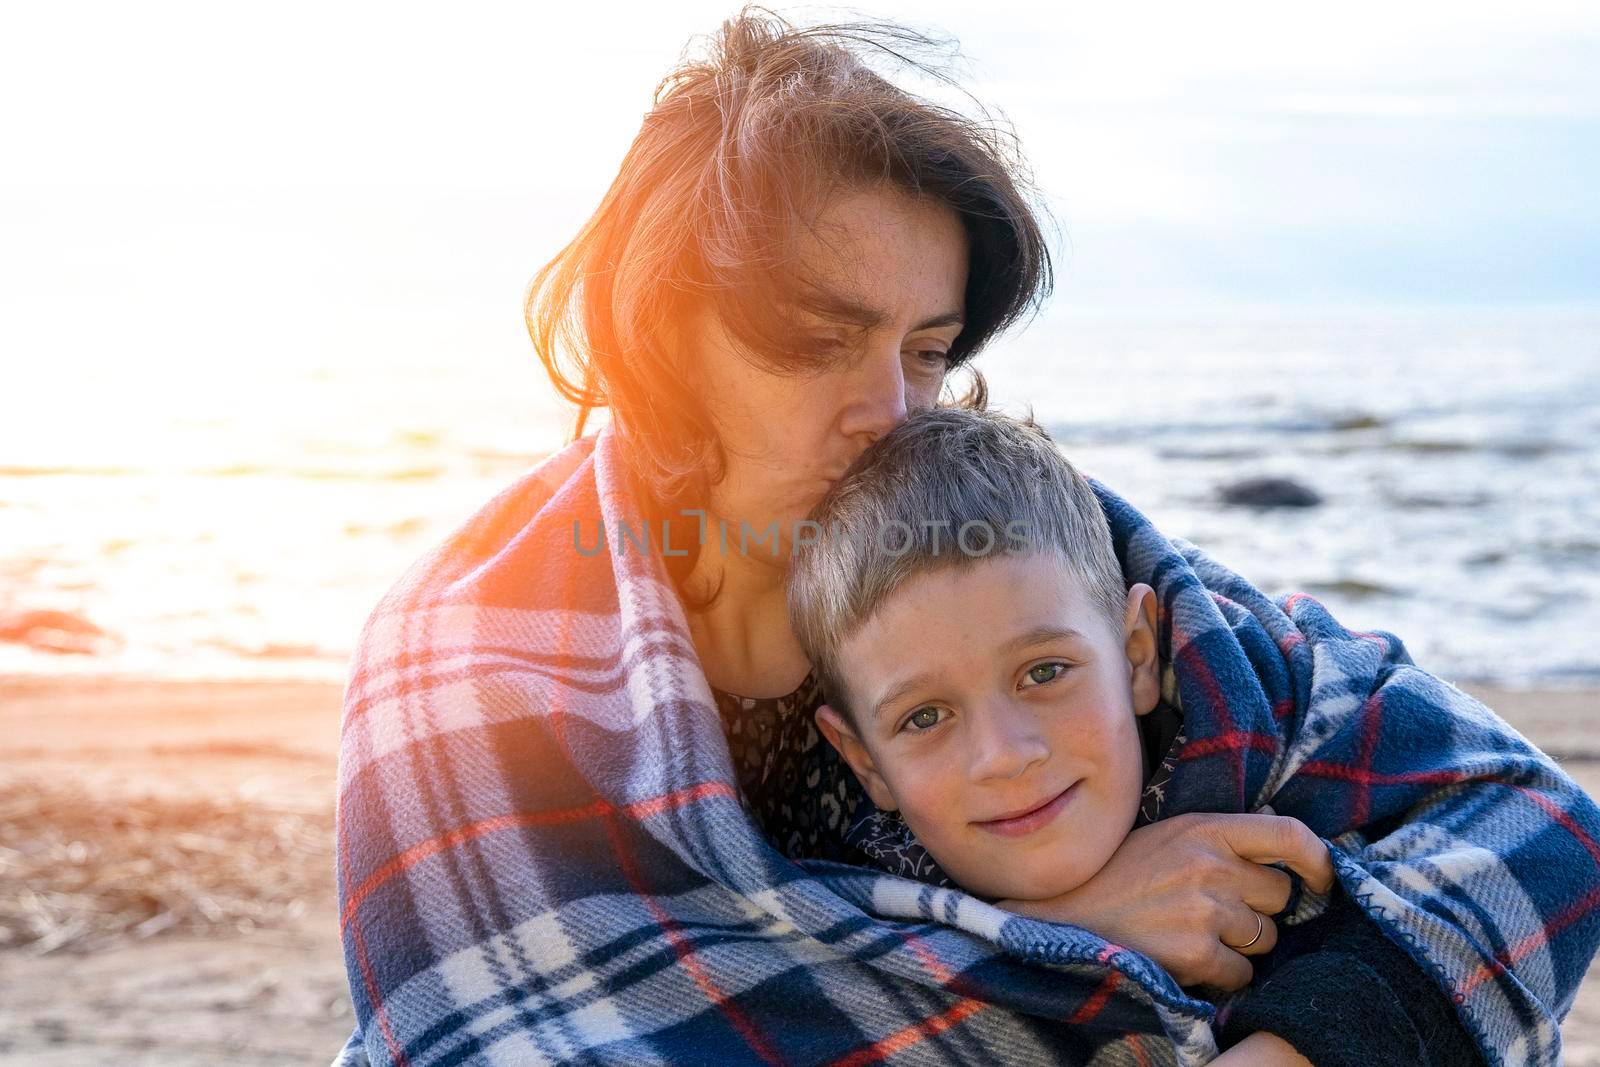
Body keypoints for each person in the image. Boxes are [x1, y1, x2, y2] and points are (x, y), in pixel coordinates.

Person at [332, 11, 1600, 1065]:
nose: (886, 408)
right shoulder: (476, 651)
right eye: (818, 339)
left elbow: (1534, 818)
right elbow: (518, 1030)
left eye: (925, 349)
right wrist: (1058, 922)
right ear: (661, 331)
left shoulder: (1020, 545)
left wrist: (1297, 1042)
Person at [786, 405, 1502, 1065]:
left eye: (1044, 671)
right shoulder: (823, 918)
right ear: (864, 761)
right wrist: (1046, 936)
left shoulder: (1273, 709)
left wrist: (1297, 1041)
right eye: (924, 717)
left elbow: (1546, 827)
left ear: (1137, 652)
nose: (1005, 753)